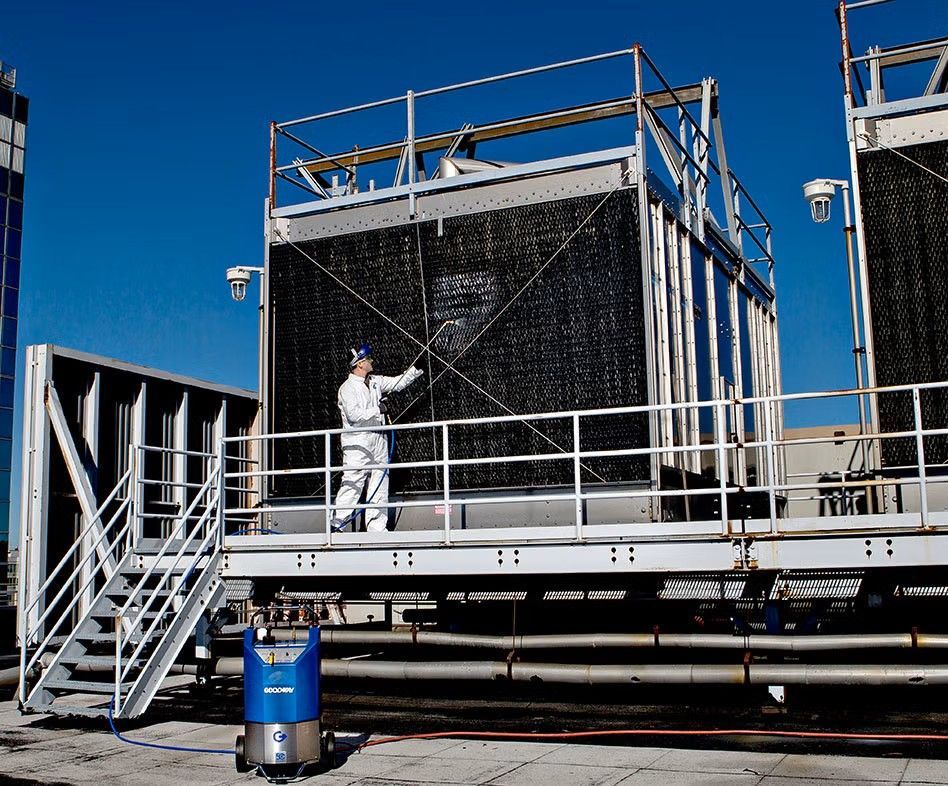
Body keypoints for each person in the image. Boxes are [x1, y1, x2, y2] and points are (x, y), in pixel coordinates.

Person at [331, 343, 424, 532]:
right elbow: (354, 415)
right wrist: (377, 410)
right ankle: (337, 524)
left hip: (378, 442)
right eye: (368, 359)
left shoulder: (375, 381)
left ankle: (377, 528)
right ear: (359, 364)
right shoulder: (347, 388)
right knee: (353, 482)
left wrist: (416, 369)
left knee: (380, 484)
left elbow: (398, 382)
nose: (372, 361)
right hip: (358, 443)